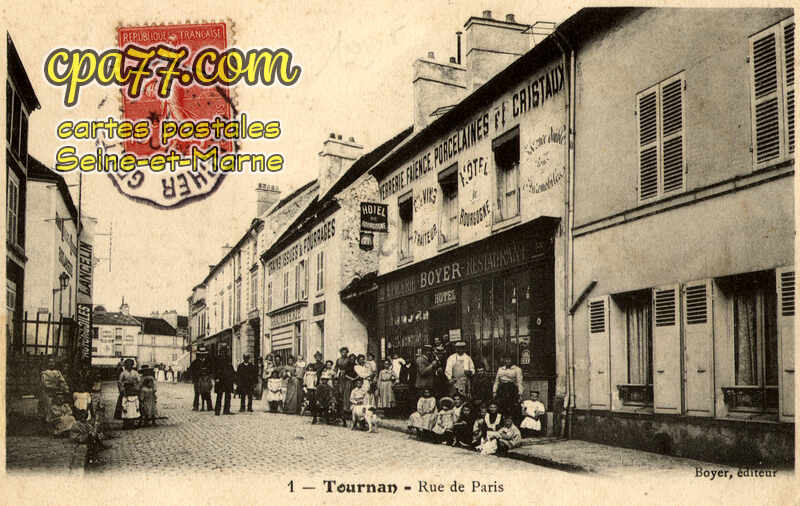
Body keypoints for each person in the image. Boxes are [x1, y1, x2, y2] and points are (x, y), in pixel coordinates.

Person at [493, 355, 523, 422]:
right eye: (506, 359)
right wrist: (494, 391)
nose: (507, 361)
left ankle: (511, 423)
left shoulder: (517, 369)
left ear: (512, 360)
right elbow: (496, 381)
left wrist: (520, 394)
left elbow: (519, 382)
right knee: (501, 407)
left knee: (511, 407)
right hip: (502, 389)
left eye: (509, 359)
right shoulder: (500, 369)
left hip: (511, 389)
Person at [118, 359, 141, 429]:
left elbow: (139, 381)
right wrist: (122, 390)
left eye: (130, 365)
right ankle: (125, 423)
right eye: (127, 365)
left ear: (132, 365)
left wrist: (137, 388)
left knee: (134, 406)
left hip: (133, 390)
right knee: (125, 406)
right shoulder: (123, 373)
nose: (129, 366)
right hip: (125, 390)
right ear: (125, 365)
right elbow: (120, 382)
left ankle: (133, 423)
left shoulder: (135, 373)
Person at [335, 347, 357, 418]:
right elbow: (336, 368)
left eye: (345, 352)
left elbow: (352, 368)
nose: (344, 353)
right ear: (340, 353)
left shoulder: (349, 360)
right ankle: (340, 411)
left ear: (347, 353)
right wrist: (335, 374)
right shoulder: (338, 360)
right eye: (342, 352)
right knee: (340, 392)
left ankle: (347, 410)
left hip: (347, 377)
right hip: (340, 377)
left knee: (347, 393)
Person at [214, 350, 236, 416]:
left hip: (227, 380)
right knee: (220, 396)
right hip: (221, 380)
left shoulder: (228, 359)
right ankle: (217, 411)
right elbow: (215, 369)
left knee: (227, 396)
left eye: (224, 351)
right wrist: (216, 378)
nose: (224, 353)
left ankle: (226, 410)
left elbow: (231, 369)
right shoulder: (218, 360)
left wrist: (232, 378)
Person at [302, 351, 325, 417]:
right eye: (316, 357)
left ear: (321, 357)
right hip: (311, 382)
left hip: (319, 381)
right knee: (312, 397)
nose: (318, 358)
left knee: (319, 397)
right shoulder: (313, 365)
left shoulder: (323, 365)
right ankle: (313, 410)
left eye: (319, 357)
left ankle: (320, 411)